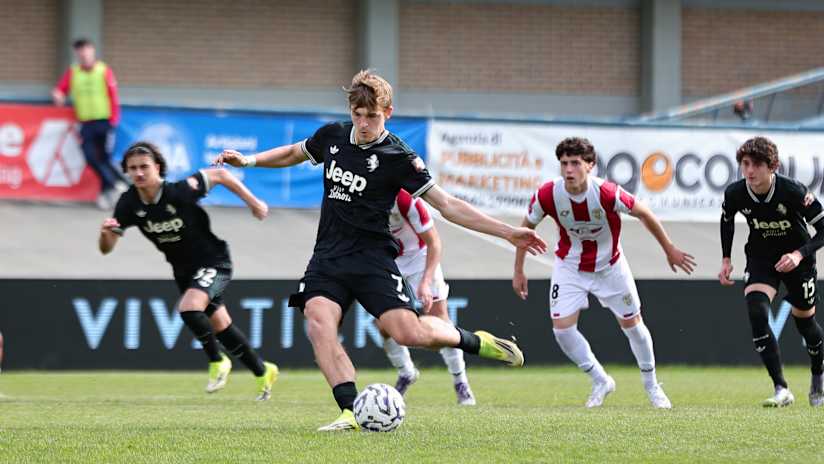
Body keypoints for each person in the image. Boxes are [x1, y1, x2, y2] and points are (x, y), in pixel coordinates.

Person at [215, 70, 546, 431]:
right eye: (358, 114)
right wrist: (249, 161)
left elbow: (447, 205)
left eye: (372, 116)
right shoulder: (334, 136)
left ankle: (474, 341)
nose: (364, 123)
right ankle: (348, 411)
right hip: (328, 257)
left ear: (387, 112)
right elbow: (295, 152)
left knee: (409, 334)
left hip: (373, 259)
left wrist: (508, 232)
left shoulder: (399, 157)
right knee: (318, 322)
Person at [512, 137, 695, 409]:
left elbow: (644, 212)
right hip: (569, 267)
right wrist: (518, 270)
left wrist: (669, 248)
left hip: (611, 267)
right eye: (564, 164)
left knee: (633, 327)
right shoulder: (548, 195)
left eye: (575, 163)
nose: (569, 170)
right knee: (562, 330)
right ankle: (600, 380)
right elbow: (524, 230)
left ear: (591, 166)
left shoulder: (607, 193)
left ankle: (652, 386)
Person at [99, 142, 278, 400]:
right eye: (132, 168)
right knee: (221, 327)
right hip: (183, 271)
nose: (138, 173)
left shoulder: (178, 191)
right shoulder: (128, 203)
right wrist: (105, 234)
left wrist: (253, 202)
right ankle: (263, 371)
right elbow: (107, 249)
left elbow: (220, 174)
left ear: (157, 168)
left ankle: (217, 361)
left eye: (144, 167)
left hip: (214, 261)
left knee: (189, 308)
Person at [719, 136, 824, 407]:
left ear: (772, 166)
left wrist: (799, 254)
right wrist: (726, 258)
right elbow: (727, 220)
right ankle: (781, 388)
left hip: (798, 261)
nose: (750, 171)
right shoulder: (735, 193)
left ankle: (818, 374)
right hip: (761, 258)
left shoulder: (793, 191)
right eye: (745, 164)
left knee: (807, 327)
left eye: (756, 164)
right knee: (756, 312)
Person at [380, 188, 476, 405]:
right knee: (383, 324)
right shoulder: (362, 195)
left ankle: (461, 381)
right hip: (389, 260)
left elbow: (434, 242)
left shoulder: (406, 199)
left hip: (420, 258)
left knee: (440, 322)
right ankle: (406, 372)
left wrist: (425, 281)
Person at [53, 38, 128, 210]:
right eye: (80, 52)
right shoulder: (73, 73)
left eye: (87, 50)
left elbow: (113, 95)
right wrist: (58, 94)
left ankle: (106, 193)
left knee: (104, 158)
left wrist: (114, 120)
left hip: (104, 121)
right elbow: (61, 89)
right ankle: (116, 183)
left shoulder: (103, 71)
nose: (84, 54)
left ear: (92, 51)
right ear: (77, 54)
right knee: (89, 157)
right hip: (85, 123)